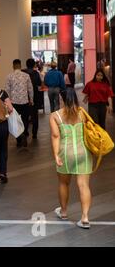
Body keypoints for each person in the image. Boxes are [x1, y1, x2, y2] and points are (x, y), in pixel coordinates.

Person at [50, 88, 93, 229]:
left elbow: (56, 136)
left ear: (61, 99)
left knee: (64, 184)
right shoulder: (82, 113)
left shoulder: (55, 115)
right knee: (83, 185)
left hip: (65, 153)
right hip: (83, 153)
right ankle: (85, 217)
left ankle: (63, 212)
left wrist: (56, 155)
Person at [5, 59, 33, 147]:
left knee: (15, 121)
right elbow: (30, 89)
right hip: (24, 101)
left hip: (14, 103)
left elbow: (7, 90)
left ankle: (18, 140)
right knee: (25, 120)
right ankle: (24, 134)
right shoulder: (26, 76)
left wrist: (7, 102)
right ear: (20, 66)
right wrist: (31, 99)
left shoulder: (9, 76)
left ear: (13, 66)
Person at [23, 58, 42, 139]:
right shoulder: (36, 73)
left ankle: (25, 131)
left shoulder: (23, 73)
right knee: (34, 116)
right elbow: (39, 83)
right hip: (34, 97)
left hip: (24, 97)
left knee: (25, 115)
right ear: (34, 64)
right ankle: (34, 133)